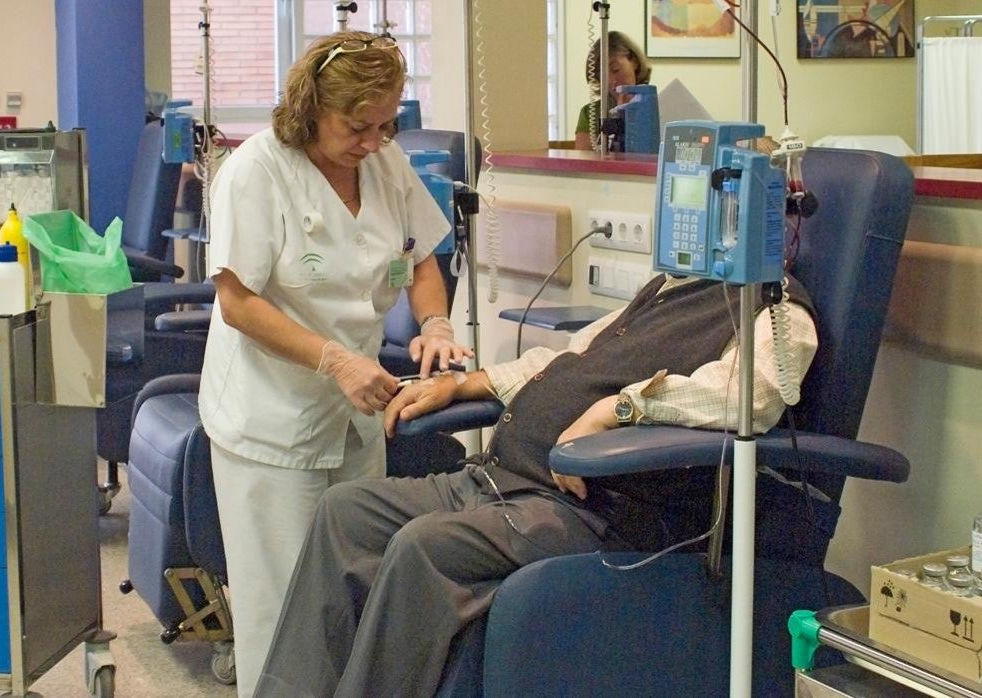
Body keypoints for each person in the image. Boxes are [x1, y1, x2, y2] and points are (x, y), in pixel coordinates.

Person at [255, 271, 819, 697]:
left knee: (424, 548)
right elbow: (571, 357)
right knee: (345, 512)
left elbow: (753, 398)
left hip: (593, 510)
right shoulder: (668, 288)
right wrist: (465, 385)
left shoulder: (776, 312)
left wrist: (618, 409)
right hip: (502, 479)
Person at [198, 30, 473, 696]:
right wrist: (334, 361)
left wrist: (435, 321)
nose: (374, 140)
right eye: (359, 125)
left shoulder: (384, 164)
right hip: (270, 420)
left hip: (356, 415)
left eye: (387, 124)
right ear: (312, 107)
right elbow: (236, 302)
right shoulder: (257, 172)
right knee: (283, 610)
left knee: (351, 601)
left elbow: (422, 259)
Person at [573, 30, 653, 151]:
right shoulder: (590, 113)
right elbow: (583, 162)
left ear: (634, 62)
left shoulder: (656, 106)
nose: (612, 80)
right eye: (603, 75)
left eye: (616, 69)